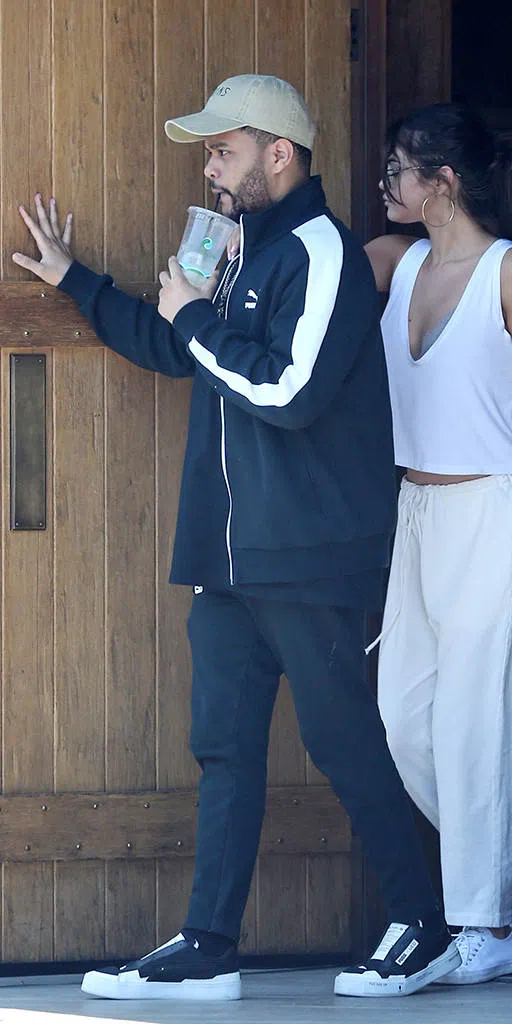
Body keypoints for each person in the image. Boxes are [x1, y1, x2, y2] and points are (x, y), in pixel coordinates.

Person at [13, 75, 460, 1001]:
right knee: (223, 747)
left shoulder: (323, 252)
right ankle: (209, 946)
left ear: (279, 154)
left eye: (224, 150)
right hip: (225, 557)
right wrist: (77, 281)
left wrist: (194, 317)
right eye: (209, 153)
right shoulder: (229, 245)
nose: (211, 167)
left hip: (306, 554)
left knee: (342, 741)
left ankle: (424, 927)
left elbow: (289, 394)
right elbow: (176, 347)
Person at [364, 102, 512, 985]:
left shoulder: (511, 272)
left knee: (475, 725)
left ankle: (486, 926)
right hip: (418, 511)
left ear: (444, 182)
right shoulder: (396, 261)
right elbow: (308, 270)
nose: (386, 183)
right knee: (404, 721)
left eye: (399, 169)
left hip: (499, 507)